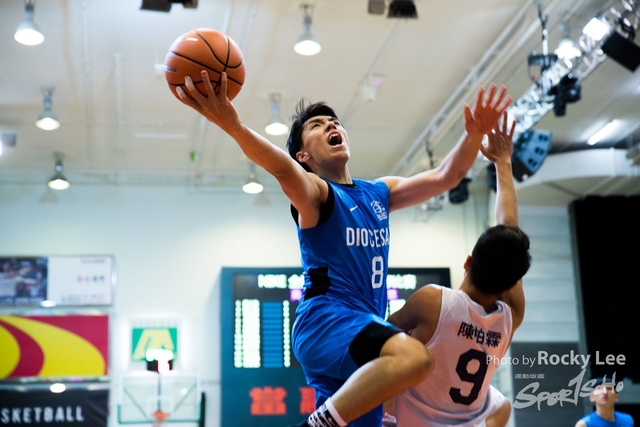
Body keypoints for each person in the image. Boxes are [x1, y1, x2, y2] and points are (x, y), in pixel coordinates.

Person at [176, 71, 511, 427]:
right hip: (326, 321)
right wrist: (234, 126)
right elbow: (283, 170)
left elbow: (447, 176)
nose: (331, 125)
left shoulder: (378, 192)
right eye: (317, 125)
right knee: (415, 359)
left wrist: (474, 134)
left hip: (360, 332)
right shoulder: (318, 193)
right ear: (304, 155)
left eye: (334, 121)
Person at [386, 112, 531, 427]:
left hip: (409, 422)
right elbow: (509, 231)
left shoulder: (434, 301)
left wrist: (502, 160)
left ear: (467, 262)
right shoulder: (511, 318)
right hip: (465, 419)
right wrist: (503, 163)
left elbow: (376, 339)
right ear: (512, 283)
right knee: (501, 405)